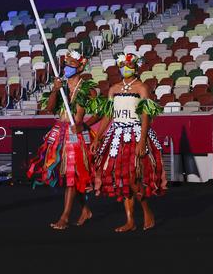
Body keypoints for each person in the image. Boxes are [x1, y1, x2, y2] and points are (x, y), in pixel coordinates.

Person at [93, 53, 166, 232]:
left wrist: (142, 141)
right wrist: (98, 136)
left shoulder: (142, 88)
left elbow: (145, 116)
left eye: (129, 65)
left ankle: (147, 211)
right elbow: (108, 115)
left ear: (135, 67)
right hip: (116, 135)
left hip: (135, 134)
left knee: (133, 177)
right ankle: (130, 220)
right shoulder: (113, 88)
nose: (125, 68)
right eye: (122, 65)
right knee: (122, 179)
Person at [27, 50, 97, 230]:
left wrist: (85, 125)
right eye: (65, 65)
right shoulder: (62, 87)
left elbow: (101, 111)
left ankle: (65, 217)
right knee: (69, 176)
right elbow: (50, 109)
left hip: (76, 134)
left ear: (80, 67)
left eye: (71, 65)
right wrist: (54, 91)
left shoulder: (88, 89)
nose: (67, 68)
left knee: (73, 175)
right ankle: (85, 210)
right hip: (60, 131)